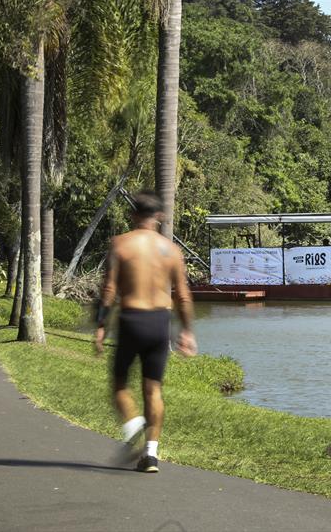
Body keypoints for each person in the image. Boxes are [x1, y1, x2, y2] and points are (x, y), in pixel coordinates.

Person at [94, 191, 197, 473]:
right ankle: (151, 454)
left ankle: (134, 425)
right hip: (159, 323)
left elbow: (109, 290)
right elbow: (183, 296)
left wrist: (101, 325)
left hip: (131, 319)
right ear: (159, 217)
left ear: (133, 215)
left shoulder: (121, 244)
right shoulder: (172, 251)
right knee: (153, 390)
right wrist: (187, 330)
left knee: (119, 385)